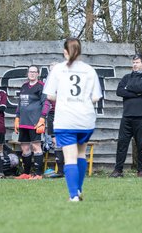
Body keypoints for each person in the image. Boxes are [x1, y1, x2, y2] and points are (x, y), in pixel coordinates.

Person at [43, 38, 102, 201]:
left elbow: (49, 95)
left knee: (69, 157)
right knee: (81, 154)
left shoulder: (58, 69)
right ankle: (79, 189)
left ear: (65, 52)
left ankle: (73, 195)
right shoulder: (89, 70)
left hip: (66, 119)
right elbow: (96, 97)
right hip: (86, 119)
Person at [110, 53, 142, 178]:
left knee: (141, 145)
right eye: (133, 62)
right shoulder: (127, 77)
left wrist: (130, 88)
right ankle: (118, 170)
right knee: (122, 144)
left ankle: (140, 170)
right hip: (127, 116)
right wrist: (136, 93)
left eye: (137, 62)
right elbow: (119, 91)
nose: (134, 65)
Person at [14, 65, 50, 180]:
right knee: (24, 148)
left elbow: (46, 103)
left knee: (36, 146)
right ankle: (26, 173)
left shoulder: (41, 86)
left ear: (38, 74)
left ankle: (38, 174)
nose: (32, 74)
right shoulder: (24, 86)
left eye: (34, 72)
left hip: (35, 122)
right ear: (27, 73)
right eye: (30, 72)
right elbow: (20, 103)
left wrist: (42, 118)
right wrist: (17, 118)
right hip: (23, 122)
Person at [46, 62, 64, 178]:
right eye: (51, 70)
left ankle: (70, 170)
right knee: (55, 142)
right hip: (52, 114)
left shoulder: (64, 82)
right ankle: (60, 171)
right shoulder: (48, 84)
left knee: (67, 142)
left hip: (63, 113)